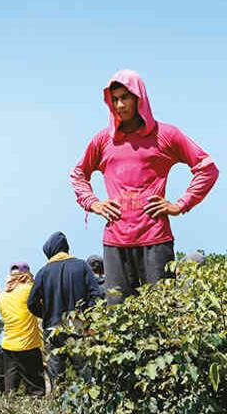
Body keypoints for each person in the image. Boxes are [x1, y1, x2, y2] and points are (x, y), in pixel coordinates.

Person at [70, 70, 219, 305]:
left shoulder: (166, 135)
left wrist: (179, 205)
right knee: (117, 319)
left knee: (161, 313)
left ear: (139, 98)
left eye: (125, 98)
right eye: (115, 99)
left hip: (155, 239)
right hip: (115, 242)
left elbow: (207, 168)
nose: (119, 105)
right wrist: (93, 203)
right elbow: (78, 174)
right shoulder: (103, 140)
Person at [27, 232, 104, 381]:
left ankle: (58, 404)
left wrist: (47, 314)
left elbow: (31, 303)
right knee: (86, 374)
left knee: (57, 378)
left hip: (52, 329)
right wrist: (87, 316)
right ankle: (91, 404)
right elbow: (96, 294)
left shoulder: (43, 272)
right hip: (79, 326)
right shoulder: (82, 266)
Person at [0, 262, 45, 396]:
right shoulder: (29, 289)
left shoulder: (2, 296)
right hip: (28, 346)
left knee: (10, 392)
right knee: (36, 391)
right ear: (26, 275)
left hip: (8, 347)